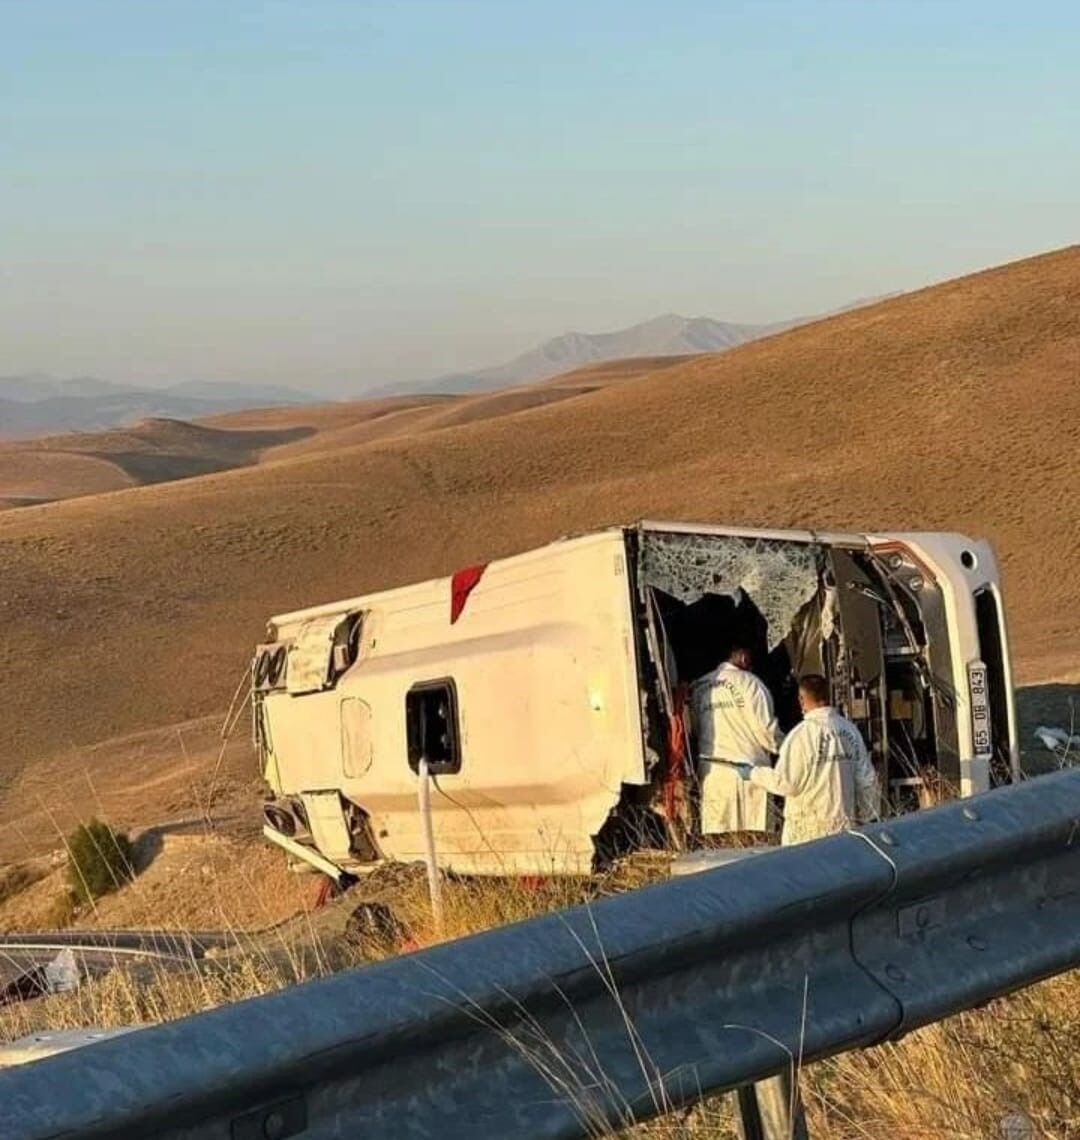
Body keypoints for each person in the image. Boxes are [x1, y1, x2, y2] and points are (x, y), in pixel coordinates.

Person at [737, 673, 881, 845]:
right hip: (845, 830)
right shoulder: (850, 731)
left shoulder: (801, 736)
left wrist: (753, 773)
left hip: (807, 835)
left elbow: (786, 783)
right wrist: (868, 819)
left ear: (801, 699)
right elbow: (867, 780)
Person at [691, 642, 782, 835]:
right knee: (754, 843)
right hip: (749, 774)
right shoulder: (751, 683)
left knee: (719, 844)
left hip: (714, 776)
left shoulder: (699, 688)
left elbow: (696, 730)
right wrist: (786, 749)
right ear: (742, 656)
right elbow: (766, 731)